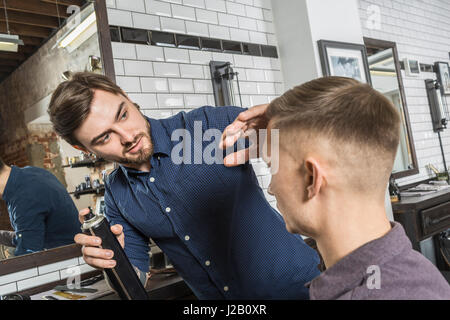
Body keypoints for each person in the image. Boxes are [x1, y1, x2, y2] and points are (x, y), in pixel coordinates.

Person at [47, 72, 320, 300]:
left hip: (301, 291)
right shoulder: (117, 194)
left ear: (127, 97)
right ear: (81, 148)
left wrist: (289, 128)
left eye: (122, 115)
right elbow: (136, 279)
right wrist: (111, 260)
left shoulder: (206, 128)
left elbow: (323, 143)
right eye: (105, 137)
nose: (128, 136)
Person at [221, 76, 450, 299]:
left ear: (312, 178)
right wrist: (280, 131)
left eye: (272, 167)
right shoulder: (412, 276)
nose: (271, 188)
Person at [0, 157, 81, 257]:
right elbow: (28, 234)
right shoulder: (29, 174)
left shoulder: (24, 197)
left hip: (67, 262)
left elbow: (28, 260)